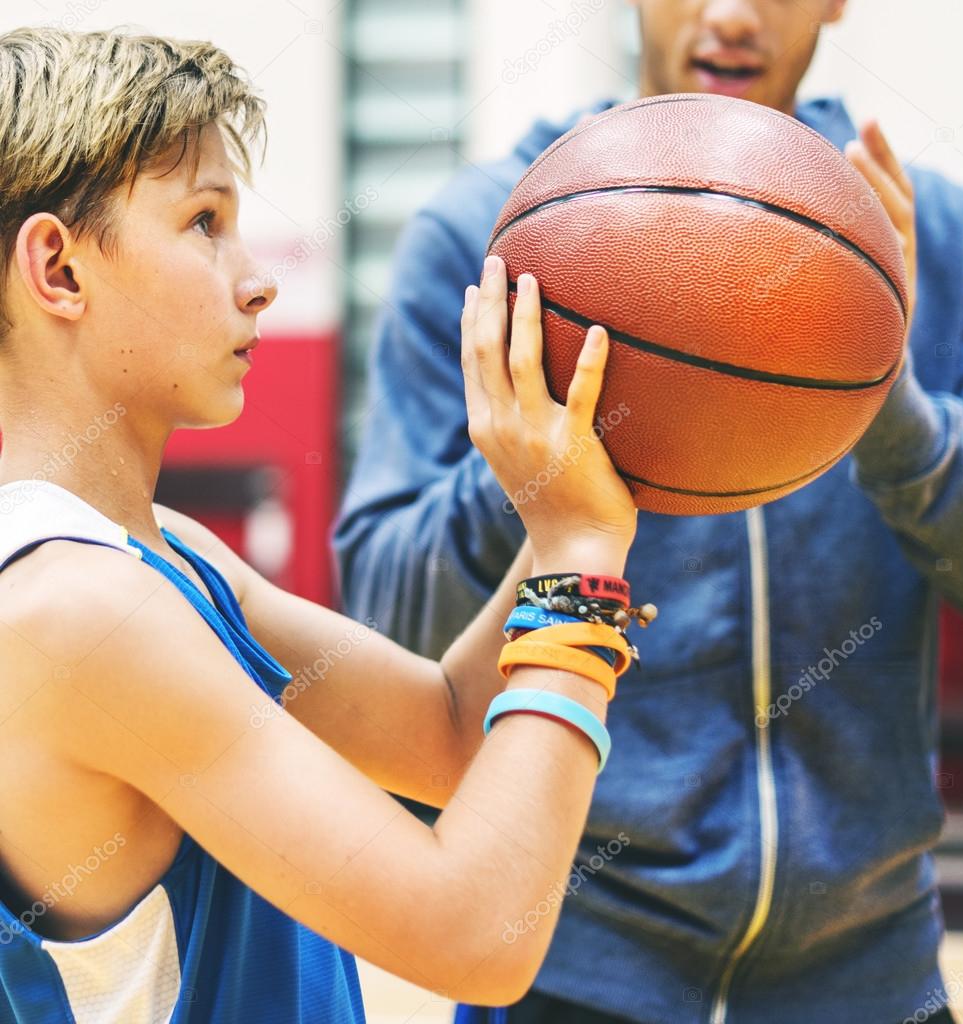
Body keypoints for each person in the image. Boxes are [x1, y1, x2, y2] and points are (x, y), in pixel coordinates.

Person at [334, 2, 963, 1022]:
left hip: (868, 974)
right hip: (566, 970)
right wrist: (537, 458)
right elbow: (385, 620)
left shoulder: (936, 237)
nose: (730, 15)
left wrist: (892, 407)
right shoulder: (487, 239)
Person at [0, 27, 650, 1023]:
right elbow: (478, 937)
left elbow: (446, 734)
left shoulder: (165, 551)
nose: (257, 279)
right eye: (203, 221)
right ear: (58, 268)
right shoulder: (75, 610)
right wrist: (578, 566)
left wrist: (572, 498)